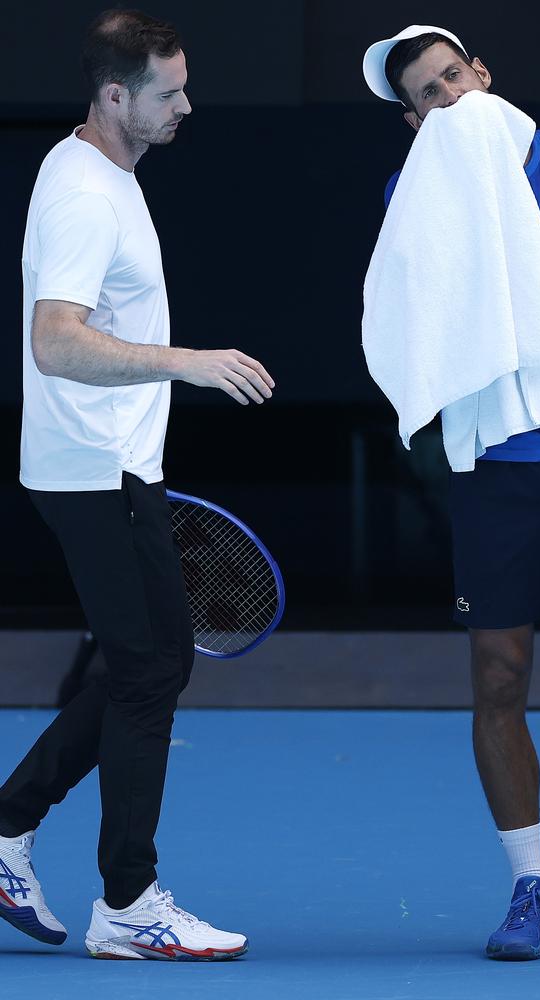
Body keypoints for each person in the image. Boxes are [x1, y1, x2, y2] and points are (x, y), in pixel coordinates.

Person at [362, 24, 540, 960]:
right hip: (494, 477)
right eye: (430, 96)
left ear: (483, 73)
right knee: (497, 680)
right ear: (415, 123)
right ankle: (532, 889)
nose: (451, 97)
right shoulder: (420, 195)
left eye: (456, 75)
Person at [0, 9, 274, 961]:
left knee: (147, 665)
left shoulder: (108, 175)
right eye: (170, 91)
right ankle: (128, 903)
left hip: (114, 465)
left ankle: (8, 831)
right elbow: (55, 340)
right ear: (115, 93)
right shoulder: (82, 191)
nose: (186, 105)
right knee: (153, 668)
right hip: (93, 469)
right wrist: (187, 362)